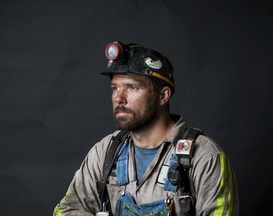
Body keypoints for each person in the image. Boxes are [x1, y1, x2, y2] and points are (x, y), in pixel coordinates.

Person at [53, 41, 239, 216]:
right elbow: (67, 209)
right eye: (115, 88)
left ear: (163, 96)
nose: (119, 98)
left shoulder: (204, 157)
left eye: (132, 87)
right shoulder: (105, 152)